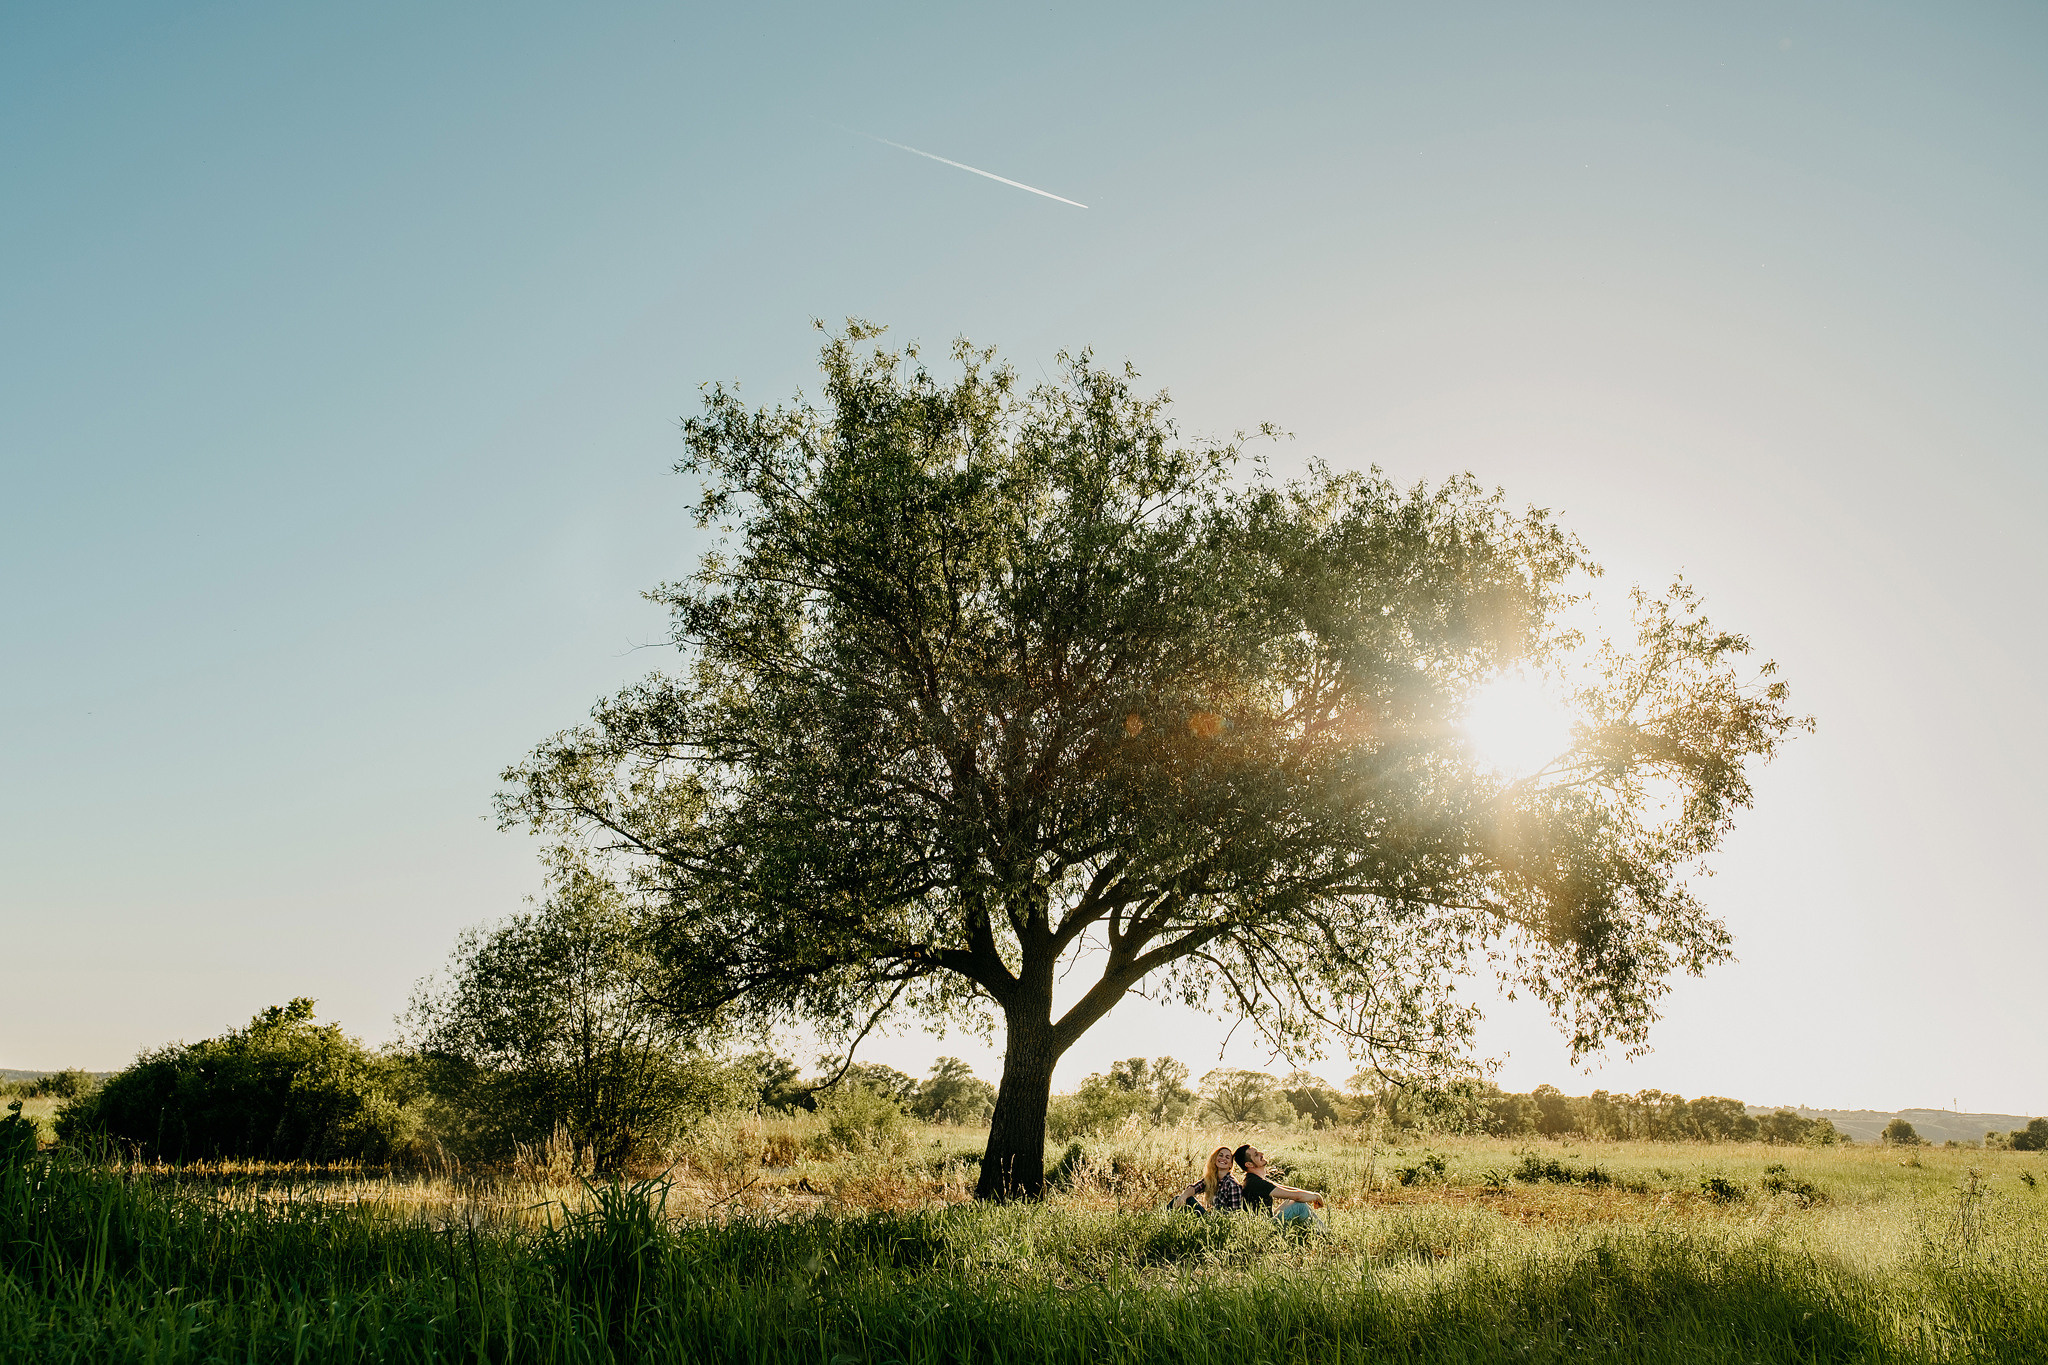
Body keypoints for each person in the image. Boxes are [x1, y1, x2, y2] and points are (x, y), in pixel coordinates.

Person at [1233, 1144, 1325, 1225]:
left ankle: (1310, 1231)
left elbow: (1289, 1190)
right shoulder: (1255, 1183)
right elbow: (1297, 1196)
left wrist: (1313, 1195)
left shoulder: (1255, 1179)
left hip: (1268, 1220)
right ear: (1249, 1164)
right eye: (1256, 1154)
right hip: (1265, 1227)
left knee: (1292, 1201)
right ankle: (1324, 1235)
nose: (1261, 1154)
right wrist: (1316, 1197)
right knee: (1299, 1206)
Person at [1166, 1145, 1240, 1212]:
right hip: (1210, 1218)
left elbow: (1235, 1213)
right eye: (1220, 1155)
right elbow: (1195, 1188)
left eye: (1227, 1157)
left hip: (1220, 1223)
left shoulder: (1232, 1184)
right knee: (1181, 1199)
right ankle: (1166, 1220)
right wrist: (1183, 1196)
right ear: (1215, 1159)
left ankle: (1165, 1219)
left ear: (1230, 1165)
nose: (1223, 1158)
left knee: (1189, 1200)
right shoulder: (1212, 1179)